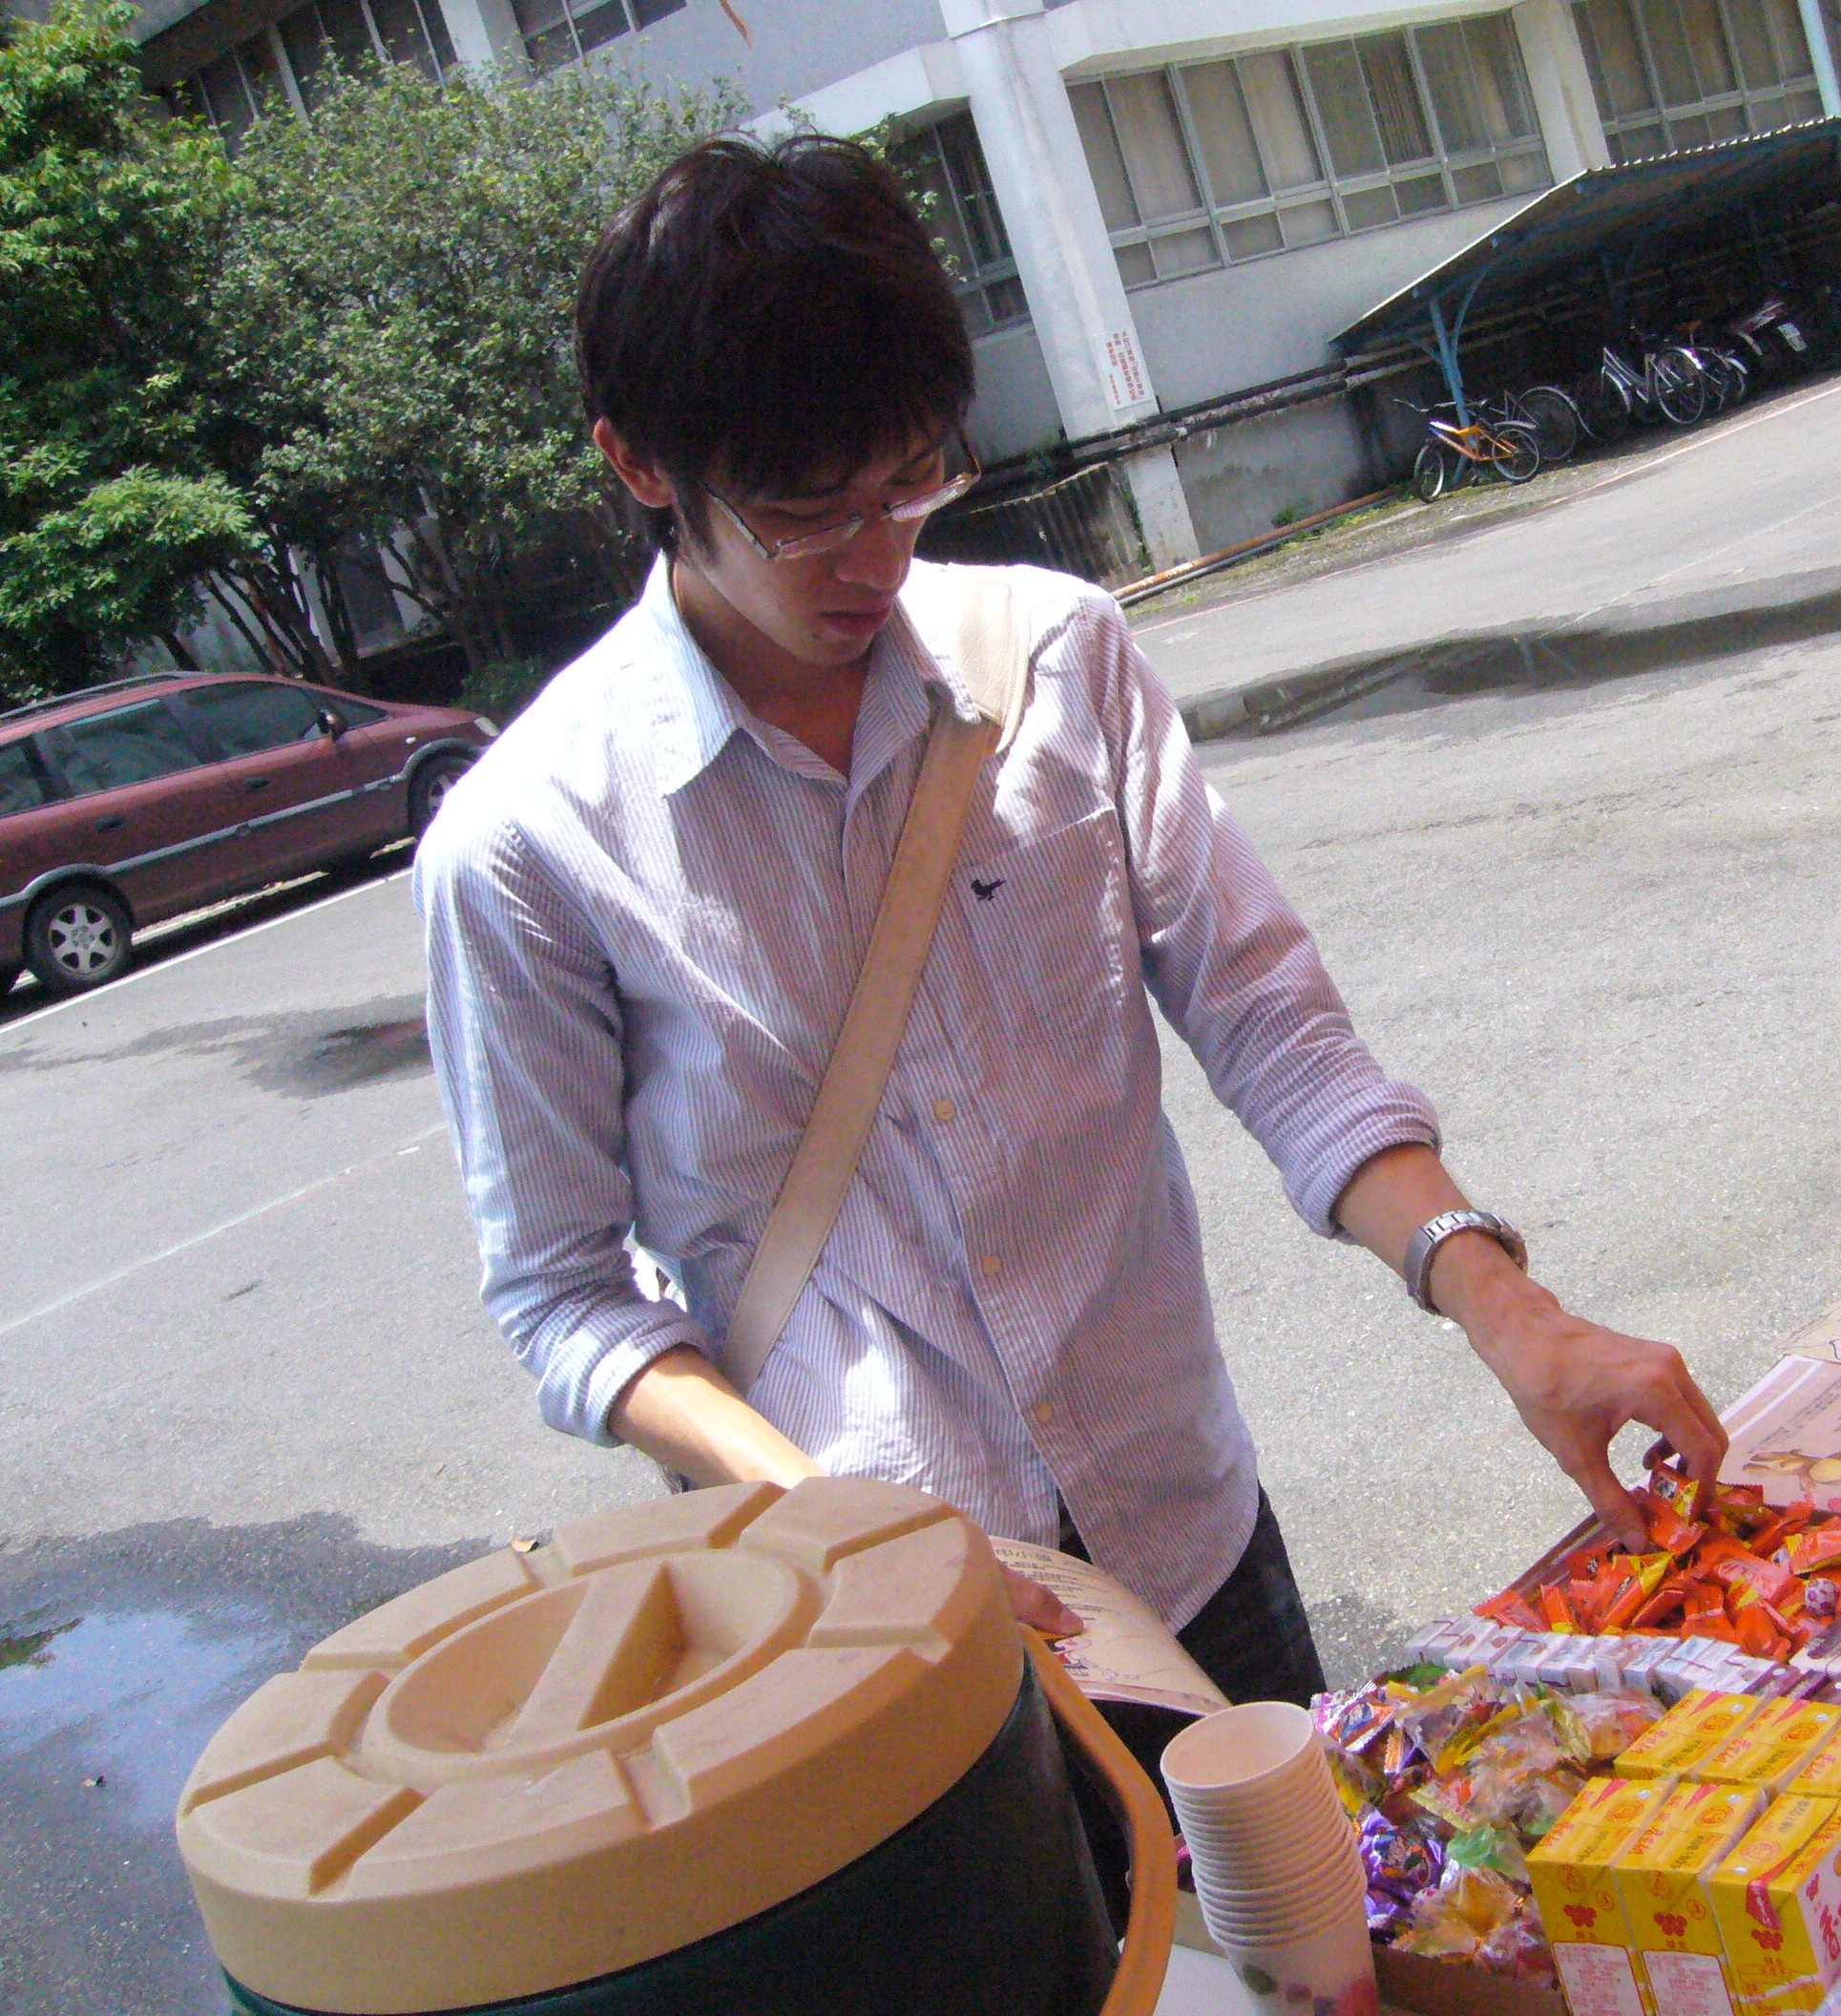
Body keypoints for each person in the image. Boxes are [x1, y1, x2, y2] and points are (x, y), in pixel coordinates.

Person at [415, 134, 1724, 1753]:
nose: (876, 555)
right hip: (878, 1641)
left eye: (911, 480)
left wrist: (1508, 1309)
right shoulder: (528, 845)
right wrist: (844, 1531)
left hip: (1185, 1533)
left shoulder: (1053, 661)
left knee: (1307, 1902)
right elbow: (564, 1297)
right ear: (638, 464)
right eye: (806, 512)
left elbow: (1268, 1022)